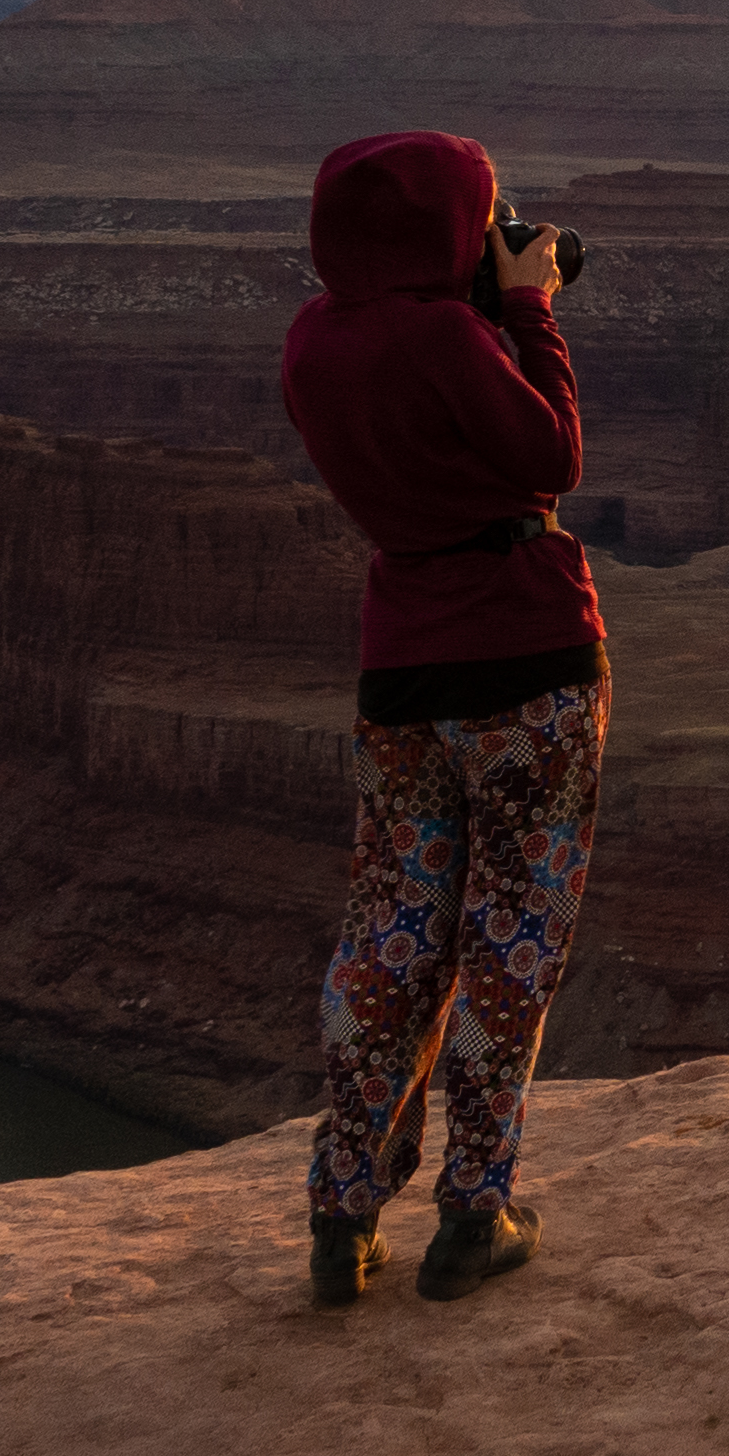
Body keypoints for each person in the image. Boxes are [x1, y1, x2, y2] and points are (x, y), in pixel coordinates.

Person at [273, 129, 610, 1306]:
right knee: (510, 938)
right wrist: (532, 310)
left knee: (391, 934)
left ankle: (341, 1210)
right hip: (526, 658)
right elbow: (550, 456)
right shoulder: (450, 334)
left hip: (403, 670)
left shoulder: (315, 343)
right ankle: (475, 1208)